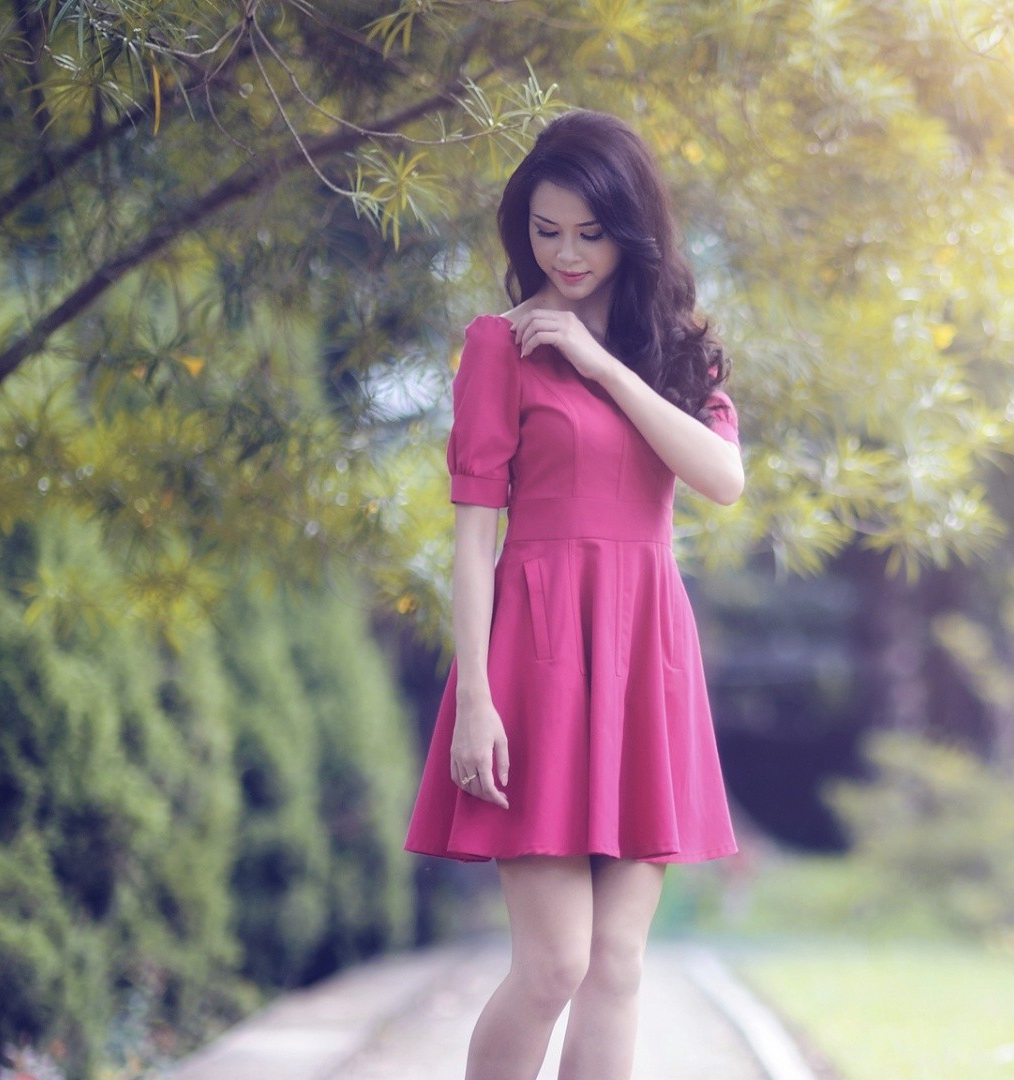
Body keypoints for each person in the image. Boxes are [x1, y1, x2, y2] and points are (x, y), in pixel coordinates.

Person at [402, 107, 746, 1080]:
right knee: (553, 964)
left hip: (645, 656)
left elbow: (721, 479)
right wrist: (475, 700)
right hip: (537, 658)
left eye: (588, 232)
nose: (566, 254)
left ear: (630, 230)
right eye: (545, 232)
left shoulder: (678, 351)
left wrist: (597, 364)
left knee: (620, 964)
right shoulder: (497, 348)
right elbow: (474, 544)